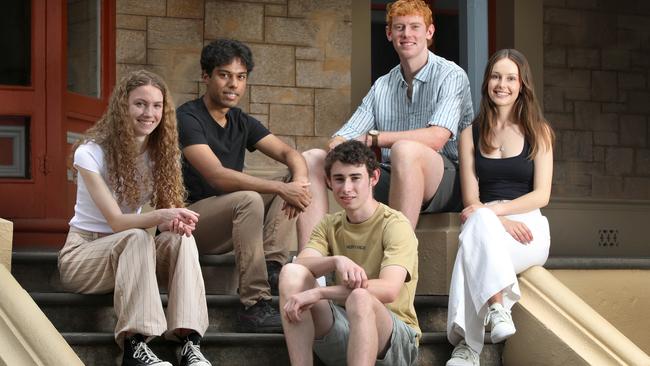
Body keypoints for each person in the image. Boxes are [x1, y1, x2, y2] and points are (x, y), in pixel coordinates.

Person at [58, 70, 211, 366]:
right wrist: (161, 216)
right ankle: (134, 346)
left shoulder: (159, 154)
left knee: (181, 239)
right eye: (140, 104)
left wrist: (172, 222)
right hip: (84, 255)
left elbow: (154, 222)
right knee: (136, 235)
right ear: (122, 107)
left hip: (133, 253)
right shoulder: (91, 153)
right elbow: (116, 222)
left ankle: (188, 341)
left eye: (156, 105)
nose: (149, 113)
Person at [297, 0, 474, 250]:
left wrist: (374, 139)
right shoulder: (383, 85)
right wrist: (338, 148)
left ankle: (397, 256)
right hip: (395, 174)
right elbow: (342, 136)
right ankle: (311, 264)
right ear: (389, 33)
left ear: (430, 32)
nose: (407, 34)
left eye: (415, 27)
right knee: (312, 159)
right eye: (399, 28)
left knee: (405, 149)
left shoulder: (451, 75)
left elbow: (436, 138)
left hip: (446, 179)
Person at [176, 38, 311, 333]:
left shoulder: (240, 120)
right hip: (189, 224)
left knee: (291, 184)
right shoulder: (187, 118)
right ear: (206, 76)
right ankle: (253, 305)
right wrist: (278, 189)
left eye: (241, 77)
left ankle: (273, 266)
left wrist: (298, 182)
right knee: (251, 197)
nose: (233, 84)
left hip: (234, 217)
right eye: (224, 75)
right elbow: (216, 175)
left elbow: (290, 154)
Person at [445, 49, 555, 366]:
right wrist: (492, 218)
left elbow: (541, 195)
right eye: (496, 76)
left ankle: (468, 348)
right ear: (487, 82)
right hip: (488, 221)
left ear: (522, 85)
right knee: (476, 231)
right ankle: (497, 307)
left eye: (510, 78)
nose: (501, 84)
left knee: (472, 245)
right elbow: (470, 199)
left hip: (528, 227)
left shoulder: (540, 131)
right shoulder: (471, 132)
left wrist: (494, 214)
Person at [280, 140, 420, 366]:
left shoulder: (395, 224)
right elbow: (303, 264)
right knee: (290, 273)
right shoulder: (329, 224)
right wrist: (337, 260)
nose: (346, 188)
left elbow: (389, 289)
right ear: (328, 181)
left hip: (395, 342)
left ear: (373, 178)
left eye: (355, 178)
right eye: (339, 179)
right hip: (346, 331)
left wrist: (319, 293)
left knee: (360, 297)